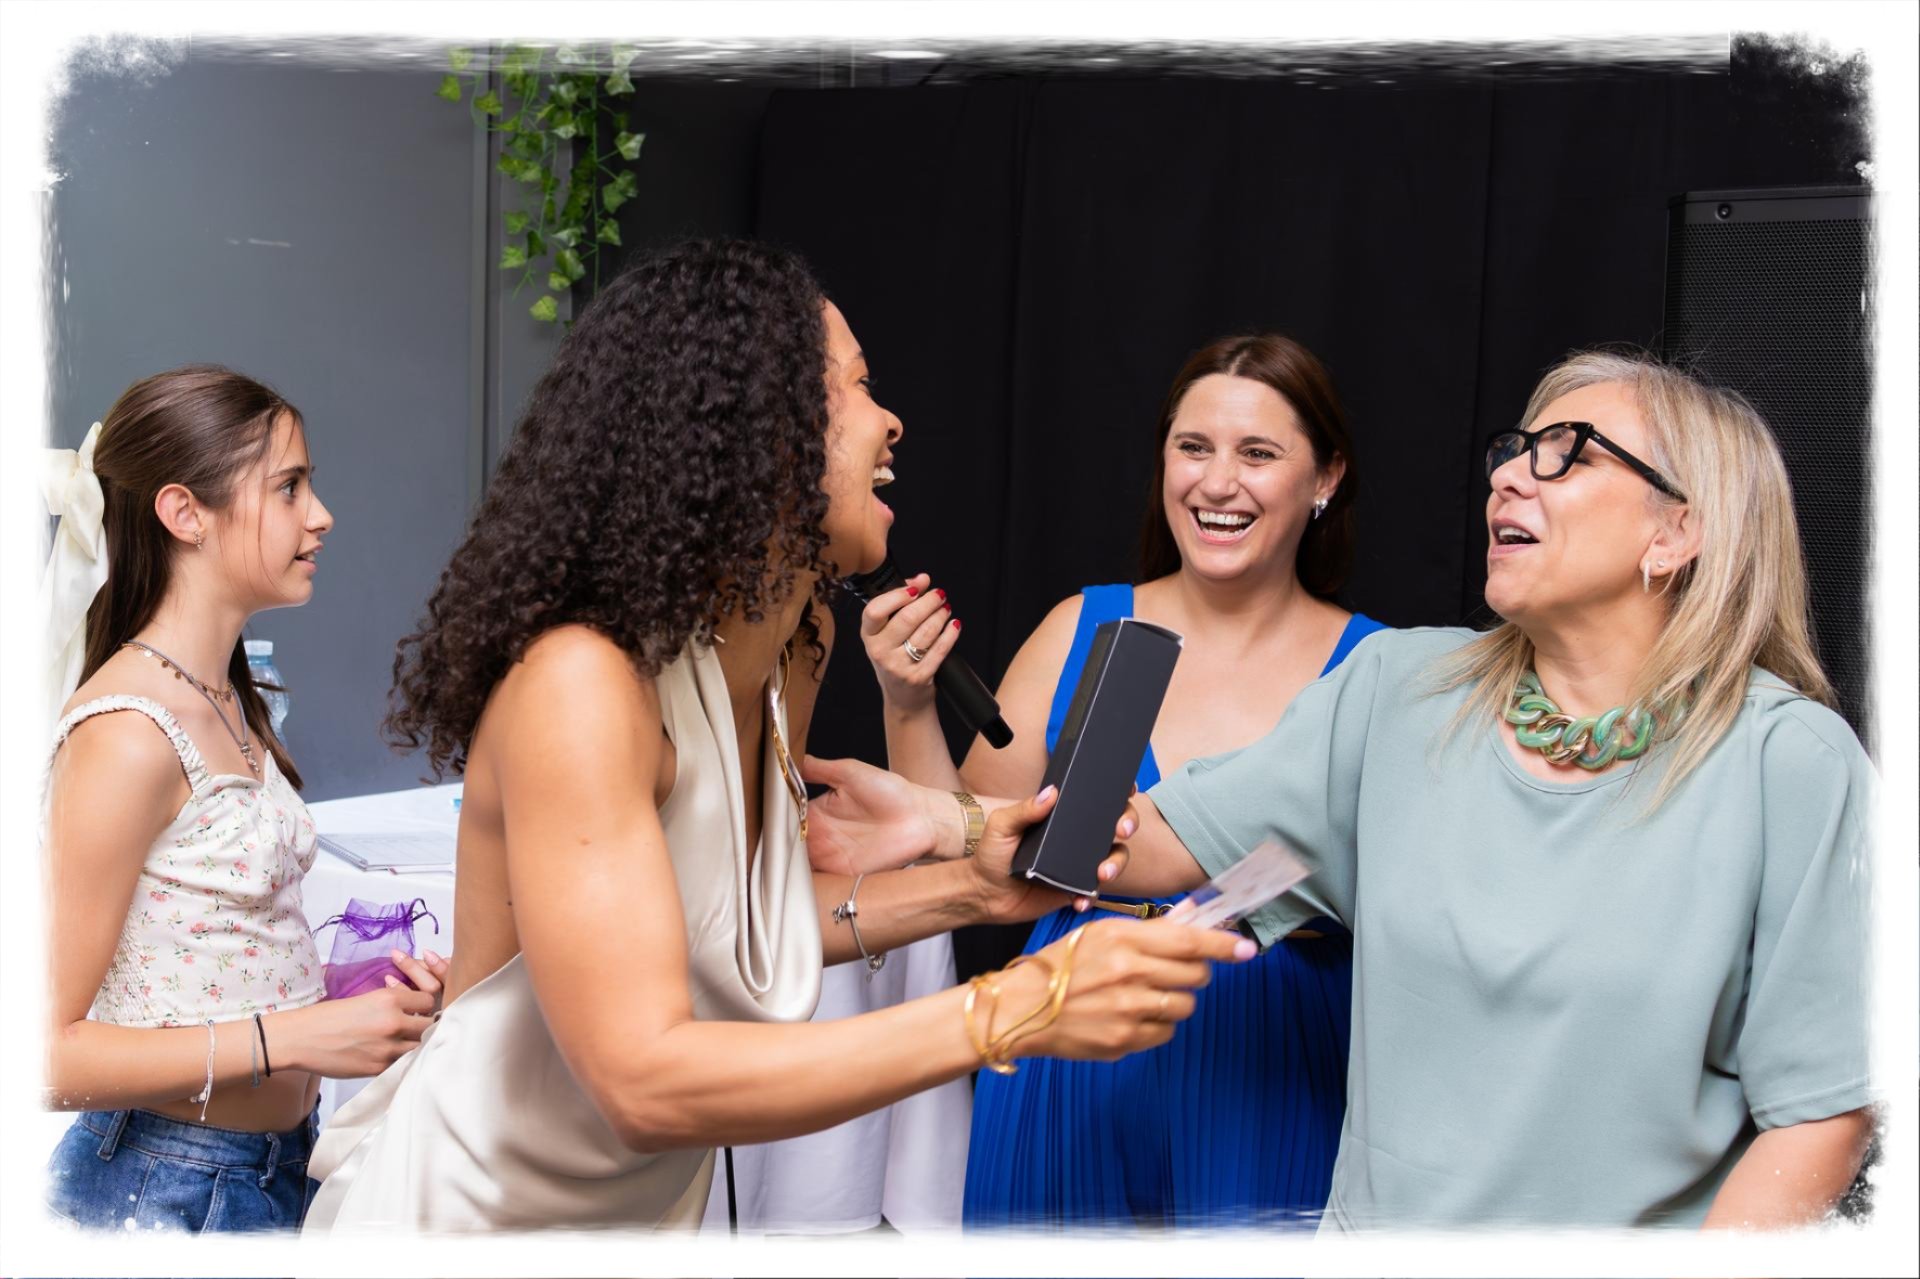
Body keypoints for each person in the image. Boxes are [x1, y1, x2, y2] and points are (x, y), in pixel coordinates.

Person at [299, 239, 1252, 1233]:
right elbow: (643, 1076)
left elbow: (753, 929)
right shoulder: (581, 684)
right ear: (753, 432)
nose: (893, 423)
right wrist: (1020, 1007)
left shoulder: (792, 647)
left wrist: (972, 885)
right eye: (858, 387)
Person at [1084, 350, 1876, 1229]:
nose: (1506, 476)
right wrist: (952, 817)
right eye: (1514, 448)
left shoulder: (1790, 763)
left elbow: (1824, 1113)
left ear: (1676, 532)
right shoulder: (1400, 690)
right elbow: (1168, 847)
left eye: (1566, 453)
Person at [851, 334, 1385, 1227]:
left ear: (1325, 476)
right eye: (1193, 447)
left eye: (1258, 453)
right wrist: (908, 703)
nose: (1218, 483)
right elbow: (962, 847)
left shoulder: (1377, 669)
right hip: (1067, 1045)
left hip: (1274, 1058)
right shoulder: (1083, 627)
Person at [41, 366, 449, 1232]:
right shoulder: (127, 733)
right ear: (185, 512)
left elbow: (198, 953)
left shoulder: (228, 695)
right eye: (290, 487)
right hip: (164, 1186)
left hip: (271, 1168)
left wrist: (348, 994)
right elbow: (41, 1053)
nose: (322, 514)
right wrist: (299, 1038)